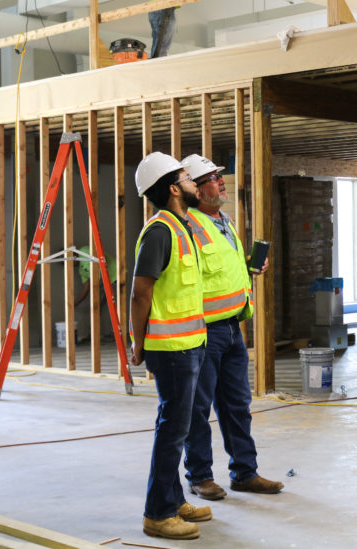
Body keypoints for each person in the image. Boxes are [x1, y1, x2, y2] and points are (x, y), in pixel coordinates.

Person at [180, 153, 283, 501]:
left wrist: (251, 267)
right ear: (194, 189)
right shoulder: (186, 226)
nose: (221, 181)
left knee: (237, 404)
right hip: (202, 331)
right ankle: (199, 476)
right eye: (211, 178)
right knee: (198, 408)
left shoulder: (224, 221)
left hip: (233, 329)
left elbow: (222, 269)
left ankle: (245, 473)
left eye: (219, 176)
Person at [129, 151, 211, 540]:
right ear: (174, 189)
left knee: (177, 427)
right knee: (172, 430)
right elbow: (140, 293)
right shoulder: (161, 231)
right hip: (172, 349)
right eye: (187, 176)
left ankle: (173, 498)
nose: (195, 180)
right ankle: (157, 514)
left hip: (189, 344)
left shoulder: (182, 226)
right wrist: (137, 343)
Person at [75, 245, 119, 342]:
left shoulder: (83, 251)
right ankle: (96, 335)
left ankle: (114, 336)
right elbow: (86, 288)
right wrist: (75, 303)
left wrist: (96, 286)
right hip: (105, 283)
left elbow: (100, 264)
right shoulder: (81, 271)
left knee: (112, 307)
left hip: (116, 277)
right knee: (97, 308)